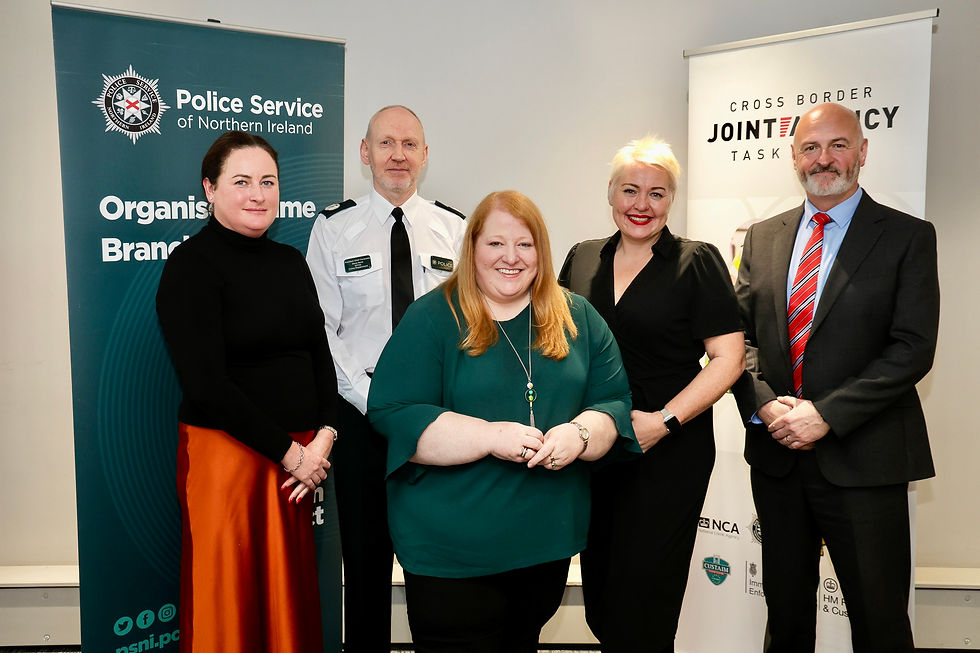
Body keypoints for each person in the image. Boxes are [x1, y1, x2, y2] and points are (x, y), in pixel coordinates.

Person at [367, 190, 639, 652]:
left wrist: (580, 433)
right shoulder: (433, 317)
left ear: (541, 251)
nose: (510, 257)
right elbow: (396, 414)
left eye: (524, 244)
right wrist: (490, 436)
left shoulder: (577, 317)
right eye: (495, 243)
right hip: (451, 556)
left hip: (544, 547)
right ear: (472, 247)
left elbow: (614, 402)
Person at [732, 103, 940, 652]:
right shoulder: (762, 237)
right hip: (778, 458)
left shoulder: (907, 237)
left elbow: (913, 348)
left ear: (862, 152)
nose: (823, 159)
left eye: (838, 145)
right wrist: (766, 404)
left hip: (865, 458)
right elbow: (738, 340)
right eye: (810, 148)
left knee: (879, 622)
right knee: (786, 618)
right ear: (794, 157)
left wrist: (826, 414)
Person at [559, 136, 745, 652]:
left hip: (668, 450)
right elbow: (557, 344)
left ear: (671, 200)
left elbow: (729, 359)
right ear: (611, 193)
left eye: (657, 193)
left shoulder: (696, 261)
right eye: (630, 190)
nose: (641, 204)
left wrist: (663, 421)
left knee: (644, 602)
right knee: (602, 597)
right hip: (596, 449)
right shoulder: (582, 257)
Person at [156, 131, 337, 652]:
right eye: (241, 181)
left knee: (287, 601)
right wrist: (291, 453)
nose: (258, 194)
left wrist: (326, 434)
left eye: (268, 182)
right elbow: (207, 386)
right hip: (228, 462)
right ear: (209, 189)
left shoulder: (290, 261)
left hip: (299, 461)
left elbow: (319, 354)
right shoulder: (191, 265)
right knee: (227, 603)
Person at [305, 105, 467, 651]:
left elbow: (472, 326)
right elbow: (320, 330)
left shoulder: (455, 228)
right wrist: (374, 398)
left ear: (425, 154)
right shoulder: (333, 228)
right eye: (386, 143)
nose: (398, 155)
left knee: (435, 564)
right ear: (365, 152)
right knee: (365, 565)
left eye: (409, 144)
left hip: (437, 421)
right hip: (361, 417)